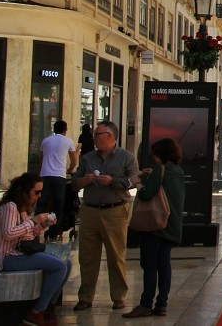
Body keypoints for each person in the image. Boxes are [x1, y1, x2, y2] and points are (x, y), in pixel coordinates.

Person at [73, 120, 139, 312]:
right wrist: (85, 180)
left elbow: (133, 181)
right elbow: (75, 182)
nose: (94, 138)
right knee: (87, 256)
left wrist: (113, 181)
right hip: (90, 210)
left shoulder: (126, 157)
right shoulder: (88, 158)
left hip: (115, 210)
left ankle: (118, 297)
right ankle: (85, 297)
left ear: (110, 137)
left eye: (97, 135)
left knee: (115, 255)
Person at [0, 173, 70, 326]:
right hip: (6, 257)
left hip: (17, 252)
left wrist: (42, 225)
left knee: (66, 263)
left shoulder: (21, 209)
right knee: (59, 267)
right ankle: (37, 311)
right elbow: (9, 233)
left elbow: (26, 236)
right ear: (25, 191)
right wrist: (33, 221)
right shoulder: (10, 207)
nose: (39, 196)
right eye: (36, 192)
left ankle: (49, 306)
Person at [122, 138, 185, 319]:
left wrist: (137, 182)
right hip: (171, 224)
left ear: (160, 154)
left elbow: (147, 194)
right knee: (164, 264)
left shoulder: (161, 169)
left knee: (149, 264)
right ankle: (162, 304)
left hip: (156, 225)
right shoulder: (178, 171)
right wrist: (152, 177)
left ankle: (145, 303)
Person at [37, 119, 77, 242]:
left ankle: (35, 229)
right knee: (58, 205)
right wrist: (69, 169)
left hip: (45, 174)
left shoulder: (46, 141)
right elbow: (74, 160)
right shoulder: (68, 141)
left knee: (42, 203)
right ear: (65, 130)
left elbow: (41, 158)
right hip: (59, 176)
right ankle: (54, 232)